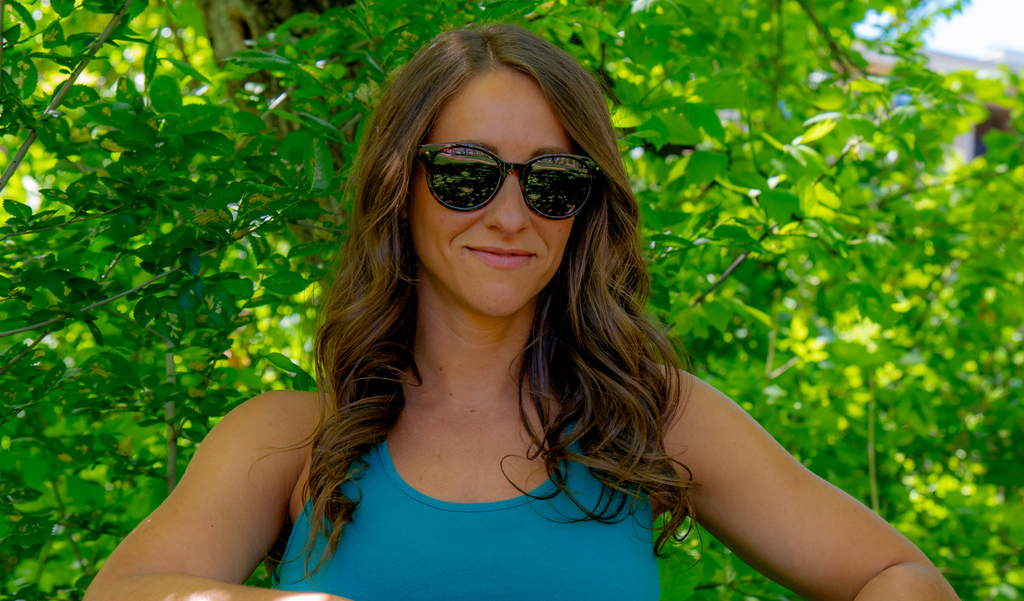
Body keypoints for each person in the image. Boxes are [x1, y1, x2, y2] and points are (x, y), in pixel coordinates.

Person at [83, 23, 959, 601]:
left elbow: (898, 574)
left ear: (586, 205)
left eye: (552, 181)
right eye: (467, 172)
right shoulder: (287, 439)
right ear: (400, 182)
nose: (510, 214)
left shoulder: (650, 416)